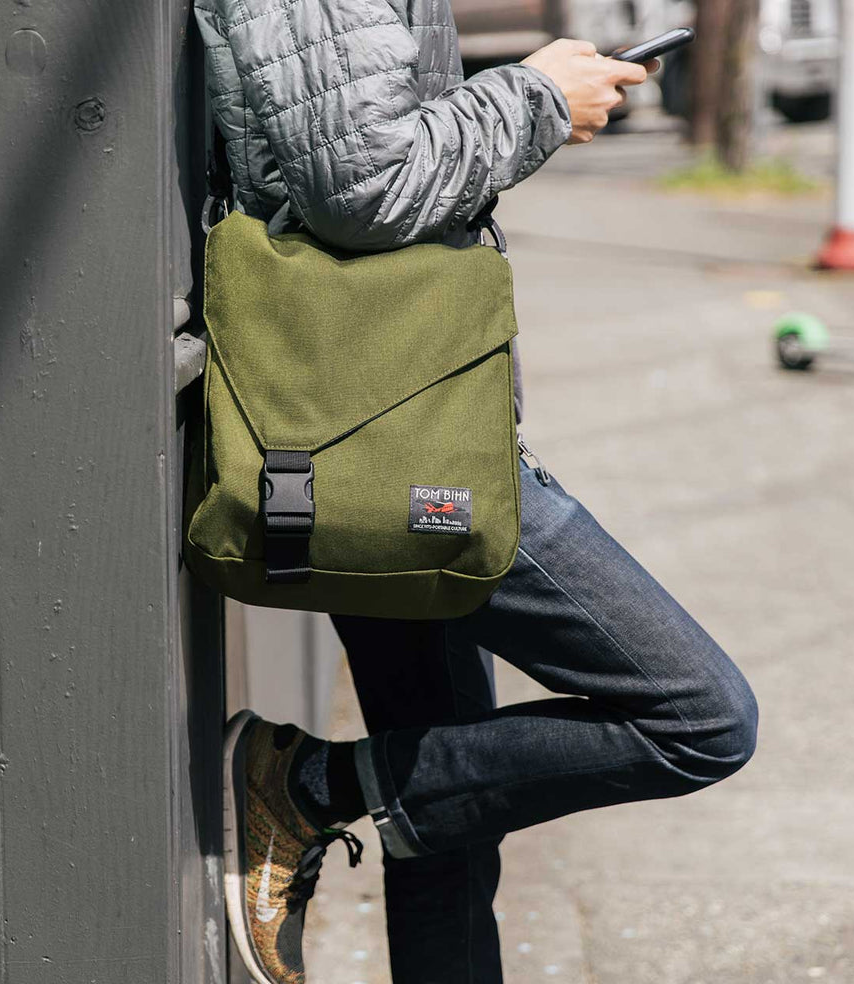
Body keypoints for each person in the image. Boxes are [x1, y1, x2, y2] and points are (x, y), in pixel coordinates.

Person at [194, 2, 759, 982]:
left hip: (388, 402)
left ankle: (331, 788)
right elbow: (363, 187)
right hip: (390, 421)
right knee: (698, 719)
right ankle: (308, 785)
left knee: (444, 799)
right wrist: (539, 98)